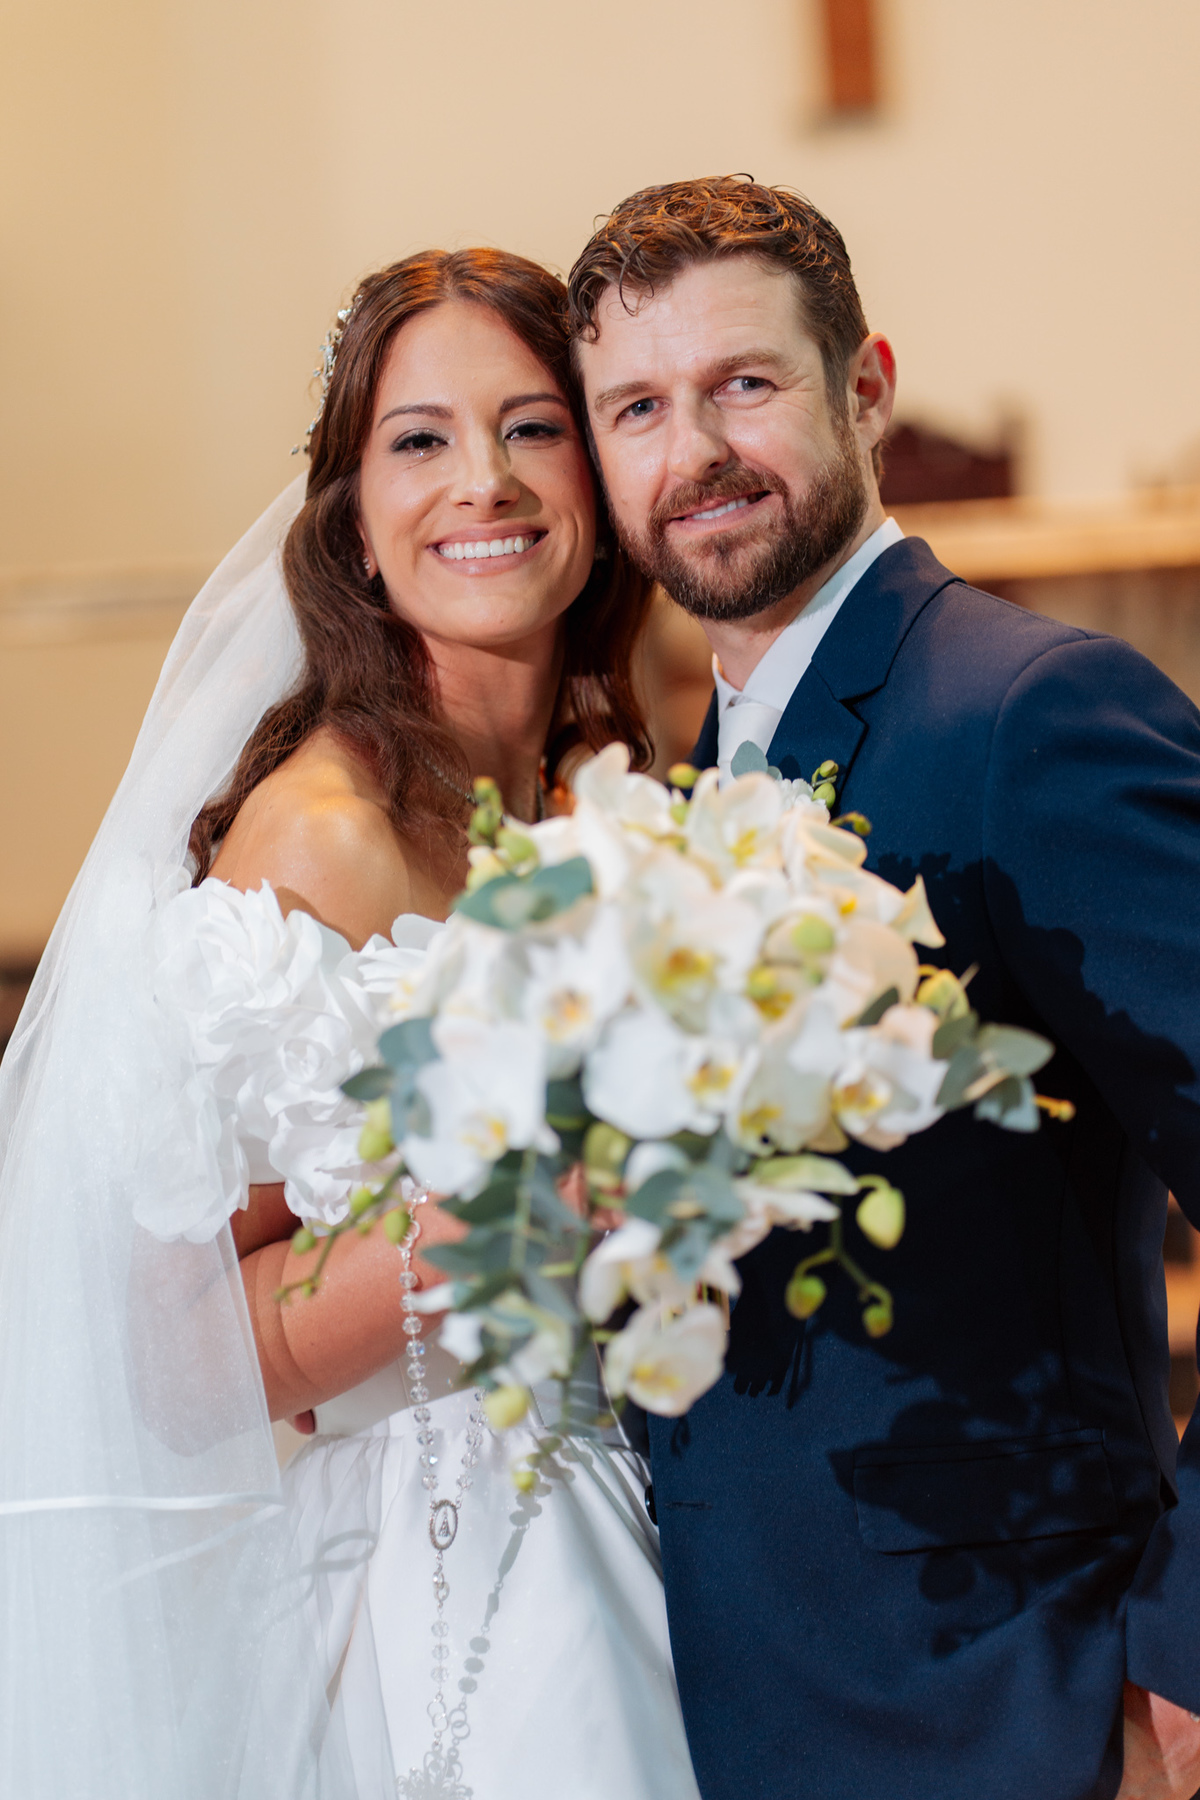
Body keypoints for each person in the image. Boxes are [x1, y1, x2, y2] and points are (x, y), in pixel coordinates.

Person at [0, 247, 701, 1800]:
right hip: (446, 1582)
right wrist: (531, 1209)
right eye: (421, 440)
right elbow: (171, 1354)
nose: (486, 483)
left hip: (654, 1523)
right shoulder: (320, 837)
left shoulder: (613, 785)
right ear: (354, 521)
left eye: (532, 427)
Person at [567, 175, 1200, 1800]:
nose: (691, 449)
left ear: (868, 390)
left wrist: (1184, 1649)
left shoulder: (1031, 717)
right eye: (638, 406)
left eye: (745, 386)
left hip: (1013, 1697)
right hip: (747, 1687)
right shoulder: (689, 781)